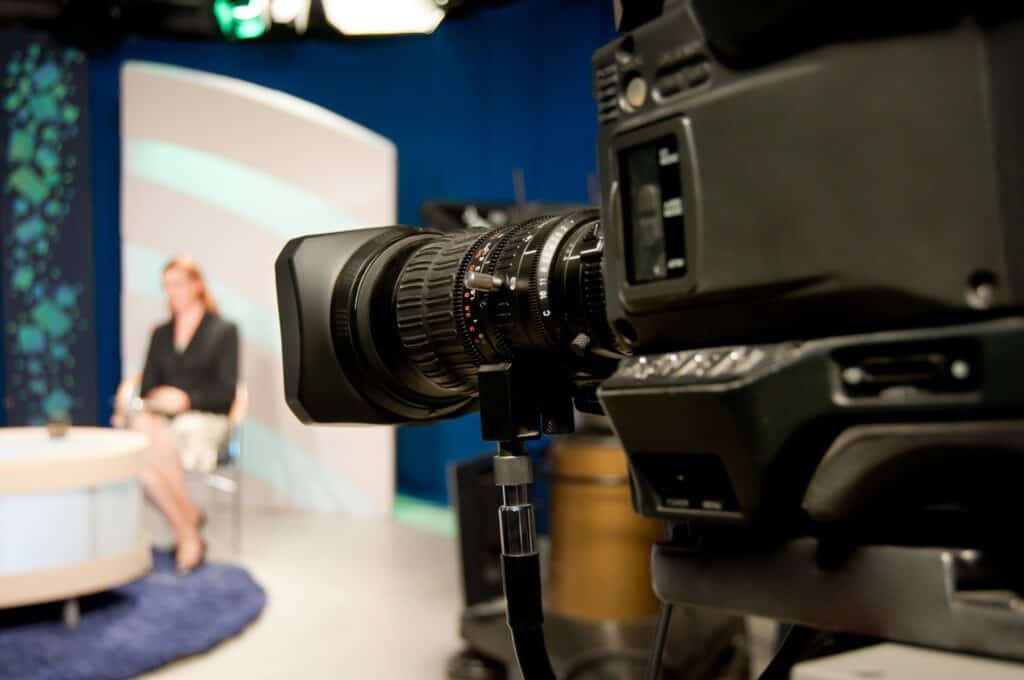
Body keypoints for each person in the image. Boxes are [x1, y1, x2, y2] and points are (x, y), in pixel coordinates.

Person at [130, 256, 239, 572]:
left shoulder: (223, 331)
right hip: (160, 419)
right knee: (143, 432)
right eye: (166, 286)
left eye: (177, 284)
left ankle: (186, 530)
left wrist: (186, 400)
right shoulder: (160, 333)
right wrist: (163, 400)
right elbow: (148, 386)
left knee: (145, 451)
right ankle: (188, 525)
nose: (171, 292)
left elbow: (226, 394)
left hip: (206, 417)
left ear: (197, 285)